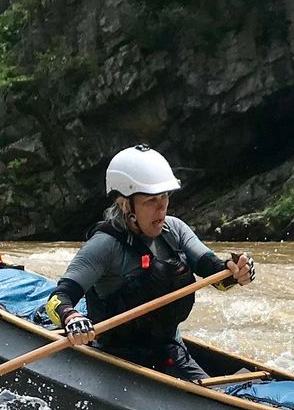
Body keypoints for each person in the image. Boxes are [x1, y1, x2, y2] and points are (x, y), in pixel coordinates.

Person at [42, 145, 255, 382]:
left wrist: (237, 272)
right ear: (126, 205)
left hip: (169, 350)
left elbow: (218, 276)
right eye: (151, 200)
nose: (161, 208)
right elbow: (57, 299)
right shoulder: (104, 246)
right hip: (116, 358)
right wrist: (71, 318)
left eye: (165, 197)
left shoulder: (175, 230)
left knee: (217, 392)